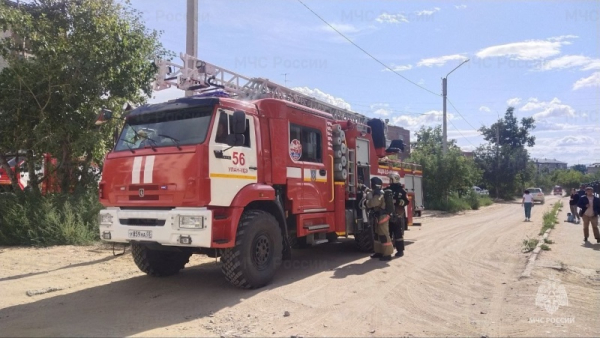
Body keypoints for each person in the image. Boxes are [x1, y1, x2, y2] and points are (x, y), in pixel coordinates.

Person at [366, 177, 393, 261]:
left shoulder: (379, 194)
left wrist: (366, 202)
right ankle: (379, 252)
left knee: (384, 235)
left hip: (383, 217)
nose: (371, 185)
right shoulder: (377, 192)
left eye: (372, 184)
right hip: (379, 216)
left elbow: (373, 203)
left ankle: (387, 254)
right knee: (377, 235)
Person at [386, 173, 409, 257]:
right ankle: (387, 251)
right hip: (388, 214)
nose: (389, 181)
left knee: (398, 233)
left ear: (394, 179)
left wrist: (397, 201)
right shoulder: (387, 189)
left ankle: (400, 251)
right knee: (388, 233)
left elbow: (406, 201)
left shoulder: (402, 191)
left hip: (397, 215)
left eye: (390, 179)